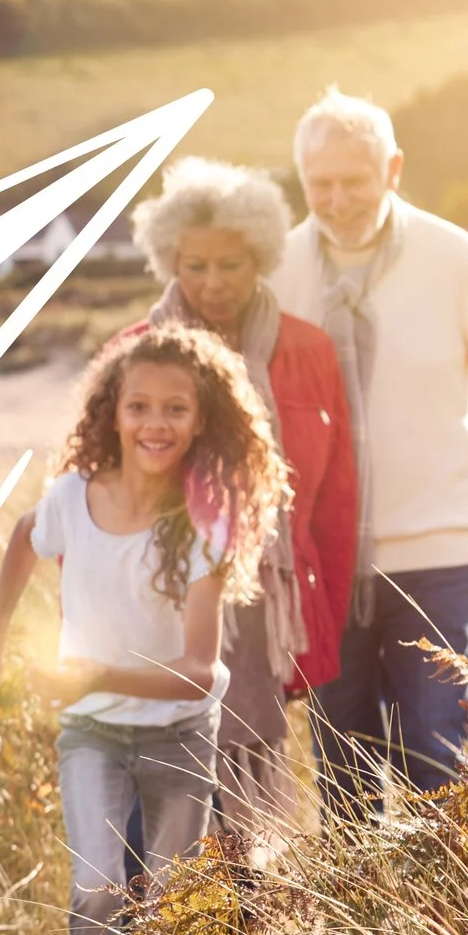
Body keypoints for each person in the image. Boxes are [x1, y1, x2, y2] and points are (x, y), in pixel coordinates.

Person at [0, 328, 289, 935]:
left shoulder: (204, 522)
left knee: (171, 910)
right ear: (110, 411)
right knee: (97, 893)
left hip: (180, 733)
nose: (155, 421)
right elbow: (20, 540)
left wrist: (97, 675)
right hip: (92, 735)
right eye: (138, 404)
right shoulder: (74, 496)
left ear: (201, 417)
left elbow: (195, 670)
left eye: (175, 408)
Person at [271, 86, 468, 818]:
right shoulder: (277, 269)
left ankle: (452, 926)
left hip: (434, 562)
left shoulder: (454, 257)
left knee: (440, 760)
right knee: (342, 774)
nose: (336, 199)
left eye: (353, 181)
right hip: (323, 571)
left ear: (393, 168)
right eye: (319, 185)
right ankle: (364, 932)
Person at [122, 157, 359, 854]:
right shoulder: (134, 355)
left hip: (266, 618)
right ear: (170, 261)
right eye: (194, 265)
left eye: (230, 264)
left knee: (251, 821)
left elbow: (335, 504)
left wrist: (319, 624)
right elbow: (96, 496)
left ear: (259, 258)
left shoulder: (307, 352)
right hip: (157, 619)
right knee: (161, 809)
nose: (213, 282)